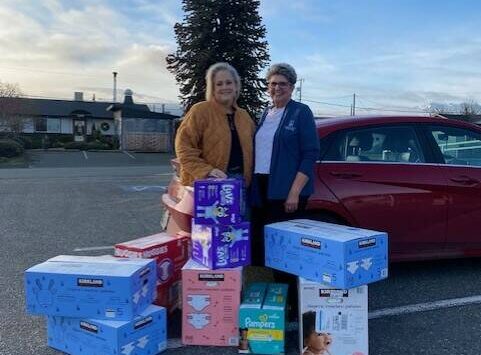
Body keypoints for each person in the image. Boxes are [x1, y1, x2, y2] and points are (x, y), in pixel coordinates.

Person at [250, 62, 320, 317]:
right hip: (261, 188)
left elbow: (310, 153)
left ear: (292, 87)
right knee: (265, 245)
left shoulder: (301, 112)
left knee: (285, 250)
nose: (276, 88)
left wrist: (294, 193)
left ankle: (294, 304)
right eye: (272, 83)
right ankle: (279, 298)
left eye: (282, 84)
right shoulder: (265, 113)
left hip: (286, 191)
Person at [175, 62, 255, 187]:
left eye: (229, 82)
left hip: (242, 183)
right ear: (212, 88)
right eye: (219, 84)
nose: (225, 87)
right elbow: (184, 147)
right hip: (209, 182)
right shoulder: (200, 111)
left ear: (236, 86)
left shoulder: (244, 116)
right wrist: (207, 171)